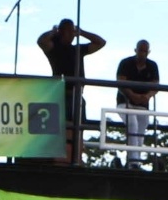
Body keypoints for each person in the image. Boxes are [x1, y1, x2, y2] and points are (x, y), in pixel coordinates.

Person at [37, 18, 106, 162]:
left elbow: (101, 42)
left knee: (78, 129)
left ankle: (76, 159)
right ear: (62, 31)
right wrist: (53, 32)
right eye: (70, 31)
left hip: (77, 95)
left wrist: (82, 32)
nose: (73, 34)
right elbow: (41, 41)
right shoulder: (54, 49)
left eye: (73, 31)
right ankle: (60, 160)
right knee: (61, 129)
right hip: (60, 94)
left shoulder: (78, 50)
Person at [113, 39, 161, 169]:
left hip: (143, 104)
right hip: (125, 103)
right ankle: (133, 161)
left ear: (148, 52)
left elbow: (155, 85)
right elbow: (120, 83)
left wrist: (147, 96)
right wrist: (132, 95)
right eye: (140, 50)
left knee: (141, 128)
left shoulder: (152, 66)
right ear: (136, 50)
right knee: (132, 123)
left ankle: (135, 161)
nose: (142, 53)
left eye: (145, 51)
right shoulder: (125, 63)